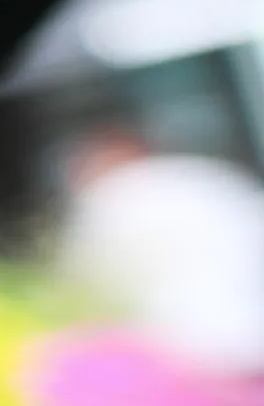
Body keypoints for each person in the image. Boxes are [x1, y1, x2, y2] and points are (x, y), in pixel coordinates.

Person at [62, 125, 264, 380]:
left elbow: (87, 286)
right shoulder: (206, 174)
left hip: (187, 353)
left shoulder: (109, 197)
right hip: (251, 328)